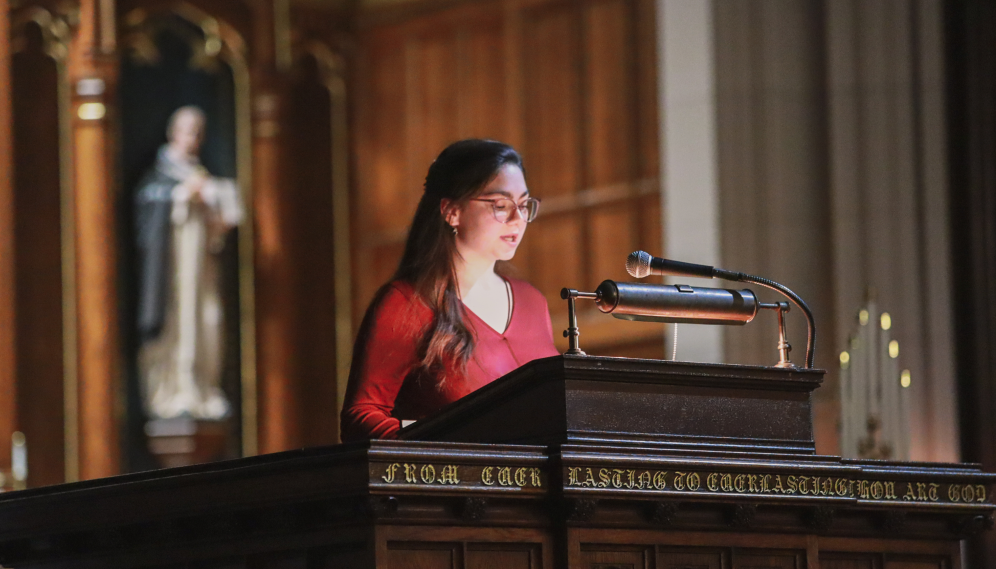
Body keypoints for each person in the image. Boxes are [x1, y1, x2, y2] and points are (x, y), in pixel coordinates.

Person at [341, 139, 559, 441]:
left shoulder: (531, 301)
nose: (517, 219)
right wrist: (449, 440)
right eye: (501, 205)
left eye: (523, 205)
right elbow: (361, 416)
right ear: (451, 211)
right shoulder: (406, 304)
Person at [134, 106, 243, 420]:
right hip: (172, 275)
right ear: (173, 133)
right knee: (178, 325)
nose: (192, 138)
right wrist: (181, 196)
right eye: (187, 130)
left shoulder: (202, 174)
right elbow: (147, 206)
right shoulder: (159, 176)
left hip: (201, 272)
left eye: (198, 132)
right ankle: (174, 390)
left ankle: (201, 389)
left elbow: (221, 227)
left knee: (207, 320)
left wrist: (216, 211)